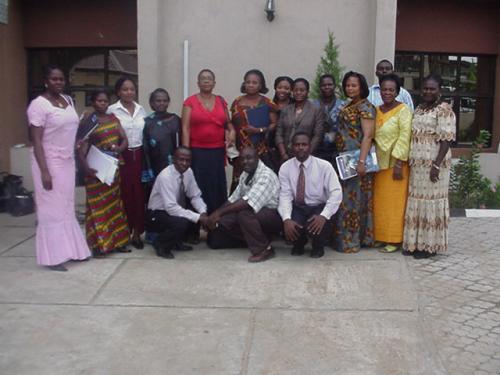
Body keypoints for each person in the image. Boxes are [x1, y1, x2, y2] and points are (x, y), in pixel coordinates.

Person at [27, 65, 91, 271]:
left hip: (66, 160)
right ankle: (53, 257)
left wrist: (78, 143)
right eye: (54, 79)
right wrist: (44, 171)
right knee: (50, 209)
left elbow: (70, 130)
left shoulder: (69, 101)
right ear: (46, 80)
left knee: (66, 206)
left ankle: (73, 250)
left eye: (61, 79)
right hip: (47, 161)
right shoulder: (38, 105)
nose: (58, 82)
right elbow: (36, 141)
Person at [403, 75, 456, 259]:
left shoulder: (445, 110)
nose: (428, 91)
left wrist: (436, 164)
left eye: (432, 89)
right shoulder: (419, 109)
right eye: (425, 88)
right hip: (417, 165)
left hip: (434, 165)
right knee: (417, 201)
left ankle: (428, 247)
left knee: (430, 203)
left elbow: (446, 141)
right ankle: (414, 243)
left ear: (439, 90)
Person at [77, 90, 131, 257]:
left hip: (112, 170)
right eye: (99, 101)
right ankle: (100, 245)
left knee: (114, 207)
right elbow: (81, 148)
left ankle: (119, 242)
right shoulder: (89, 121)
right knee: (97, 209)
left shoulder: (113, 119)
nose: (103, 104)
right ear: (93, 102)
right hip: (95, 171)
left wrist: (119, 149)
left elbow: (124, 139)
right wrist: (86, 168)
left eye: (105, 101)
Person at [206, 147, 282, 263]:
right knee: (215, 238)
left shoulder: (266, 175)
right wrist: (214, 217)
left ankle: (265, 249)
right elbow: (233, 199)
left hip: (271, 217)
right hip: (253, 214)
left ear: (257, 158)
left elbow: (247, 202)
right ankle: (253, 239)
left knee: (243, 213)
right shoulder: (246, 173)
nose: (245, 162)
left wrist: (219, 213)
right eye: (242, 159)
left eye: (249, 158)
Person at [278, 132, 342, 258]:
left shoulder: (324, 166)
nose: (301, 147)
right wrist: (286, 219)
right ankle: (299, 244)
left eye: (304, 144)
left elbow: (336, 192)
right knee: (291, 224)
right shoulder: (285, 168)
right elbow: (285, 195)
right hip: (298, 206)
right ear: (291, 147)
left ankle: (318, 246)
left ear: (310, 146)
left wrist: (324, 216)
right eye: (297, 145)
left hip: (318, 206)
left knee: (318, 226)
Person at [333, 71, 376, 253]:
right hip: (343, 159)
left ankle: (353, 241)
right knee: (344, 200)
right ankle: (343, 238)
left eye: (354, 85)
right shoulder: (346, 105)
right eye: (348, 85)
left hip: (357, 160)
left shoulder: (366, 107)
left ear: (362, 87)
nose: (350, 88)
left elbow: (368, 136)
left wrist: (361, 162)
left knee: (355, 201)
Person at [182, 69, 235, 215]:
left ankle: (216, 225)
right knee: (196, 187)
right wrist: (186, 152)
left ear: (214, 83)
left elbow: (228, 123)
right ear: (198, 83)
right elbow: (185, 127)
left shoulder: (221, 101)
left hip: (217, 152)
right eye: (203, 78)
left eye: (209, 78)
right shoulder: (190, 102)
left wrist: (233, 131)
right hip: (196, 151)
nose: (206, 81)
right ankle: (194, 226)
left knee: (216, 187)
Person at [372, 74, 412, 253]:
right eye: (384, 89)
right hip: (378, 164)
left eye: (391, 90)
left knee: (395, 204)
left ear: (397, 92)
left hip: (396, 165)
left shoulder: (403, 110)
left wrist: (398, 163)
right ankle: (381, 236)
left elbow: (405, 136)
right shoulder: (376, 110)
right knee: (380, 203)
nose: (387, 93)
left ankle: (394, 239)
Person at [146, 147, 209, 259]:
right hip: (156, 213)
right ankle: (160, 244)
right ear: (173, 159)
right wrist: (198, 218)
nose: (184, 163)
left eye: (188, 160)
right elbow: (171, 208)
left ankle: (176, 242)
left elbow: (195, 195)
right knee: (182, 222)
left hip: (171, 209)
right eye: (181, 159)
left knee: (194, 211)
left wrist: (203, 213)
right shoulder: (165, 176)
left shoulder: (188, 172)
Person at [108, 76, 147, 249]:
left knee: (138, 196)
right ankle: (122, 235)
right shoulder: (111, 110)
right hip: (120, 158)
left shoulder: (141, 110)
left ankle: (137, 233)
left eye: (131, 89)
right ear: (118, 92)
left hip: (139, 156)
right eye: (125, 89)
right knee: (122, 196)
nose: (129, 92)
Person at [230, 69, 278, 190]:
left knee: (261, 188)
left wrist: (259, 130)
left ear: (261, 85)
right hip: (241, 153)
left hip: (261, 152)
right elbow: (232, 124)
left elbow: (275, 124)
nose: (250, 85)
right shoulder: (237, 102)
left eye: (254, 82)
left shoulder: (267, 103)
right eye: (248, 82)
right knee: (240, 186)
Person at [275, 78, 325, 163]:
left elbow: (318, 135)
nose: (298, 93)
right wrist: (283, 153)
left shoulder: (316, 110)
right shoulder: (286, 110)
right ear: (292, 92)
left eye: (302, 90)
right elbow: (279, 133)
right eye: (296, 90)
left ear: (307, 91)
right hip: (286, 156)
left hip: (308, 156)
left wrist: (307, 153)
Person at [143, 88, 181, 179]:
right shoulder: (147, 122)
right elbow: (145, 149)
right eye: (158, 101)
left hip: (174, 165)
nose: (162, 103)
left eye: (165, 100)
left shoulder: (176, 119)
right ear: (152, 103)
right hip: (154, 166)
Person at [312, 74, 345, 164]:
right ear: (320, 87)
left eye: (330, 84)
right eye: (324, 85)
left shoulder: (343, 105)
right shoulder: (312, 105)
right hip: (317, 148)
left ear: (334, 86)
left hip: (337, 148)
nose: (327, 87)